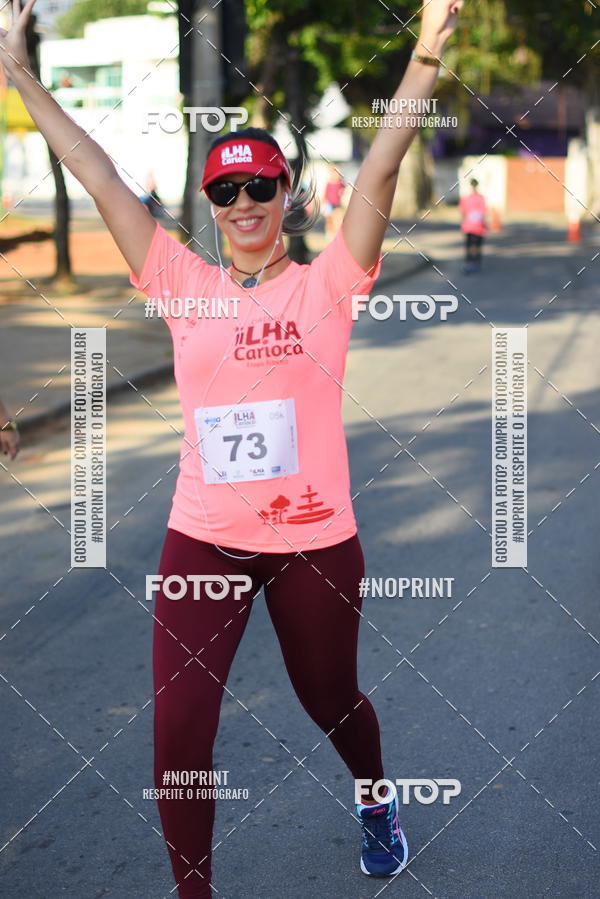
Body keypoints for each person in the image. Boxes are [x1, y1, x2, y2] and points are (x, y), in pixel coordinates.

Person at [0, 1, 464, 895]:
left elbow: (384, 159)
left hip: (313, 543)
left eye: (259, 187)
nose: (244, 203)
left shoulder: (331, 283)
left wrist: (425, 55)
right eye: (225, 191)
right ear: (209, 206)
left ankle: (376, 795)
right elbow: (93, 169)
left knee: (331, 700)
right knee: (178, 732)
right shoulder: (180, 281)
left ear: (287, 195)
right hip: (202, 538)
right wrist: (19, 72)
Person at [459, 177, 487, 273]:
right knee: (476, 246)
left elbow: (463, 212)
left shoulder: (466, 198)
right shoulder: (480, 198)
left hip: (470, 226)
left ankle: (469, 263)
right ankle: (475, 263)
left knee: (470, 245)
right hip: (477, 226)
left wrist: (463, 224)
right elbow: (483, 212)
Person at [323, 165, 346, 237]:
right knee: (329, 219)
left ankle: (338, 233)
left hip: (337, 204)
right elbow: (326, 193)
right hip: (329, 204)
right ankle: (329, 232)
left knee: (337, 219)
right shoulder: (329, 183)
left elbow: (344, 191)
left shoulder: (341, 183)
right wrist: (324, 200)